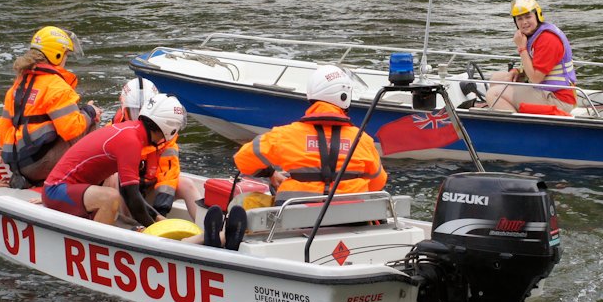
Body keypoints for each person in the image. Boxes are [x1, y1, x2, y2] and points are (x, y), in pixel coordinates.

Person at [42, 93, 246, 249]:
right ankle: (100, 247)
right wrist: (158, 227)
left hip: (76, 190)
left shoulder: (133, 133)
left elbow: (135, 197)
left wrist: (159, 219)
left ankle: (207, 236)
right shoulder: (130, 141)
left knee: (121, 201)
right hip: (57, 191)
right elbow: (132, 199)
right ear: (169, 128)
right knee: (110, 197)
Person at [233, 64, 387, 204]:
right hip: (352, 220)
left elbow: (243, 160)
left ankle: (224, 235)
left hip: (294, 219)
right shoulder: (363, 140)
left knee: (242, 202)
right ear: (345, 97)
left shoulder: (285, 135)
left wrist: (271, 173)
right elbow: (378, 182)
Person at [0, 26, 102, 189]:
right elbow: (72, 130)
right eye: (66, 54)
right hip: (38, 165)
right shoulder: (56, 86)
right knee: (92, 124)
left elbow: (4, 130)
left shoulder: (18, 85)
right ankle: (86, 184)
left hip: (18, 163)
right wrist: (91, 111)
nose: (66, 59)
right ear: (57, 55)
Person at [106, 77, 201, 221]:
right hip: (121, 195)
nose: (138, 118)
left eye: (142, 111)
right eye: (133, 111)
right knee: (113, 177)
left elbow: (169, 173)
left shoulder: (164, 135)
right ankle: (126, 224)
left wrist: (161, 209)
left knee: (186, 184)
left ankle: (209, 229)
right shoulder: (111, 132)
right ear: (124, 109)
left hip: (147, 190)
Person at [483, 0, 578, 113]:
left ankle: (516, 128)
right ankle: (505, 110)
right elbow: (534, 66)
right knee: (497, 79)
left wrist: (521, 48)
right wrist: (518, 72)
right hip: (546, 90)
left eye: (528, 17)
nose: (524, 22)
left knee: (493, 94)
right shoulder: (536, 35)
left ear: (537, 16)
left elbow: (536, 78)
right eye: (519, 19)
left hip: (558, 99)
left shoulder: (548, 39)